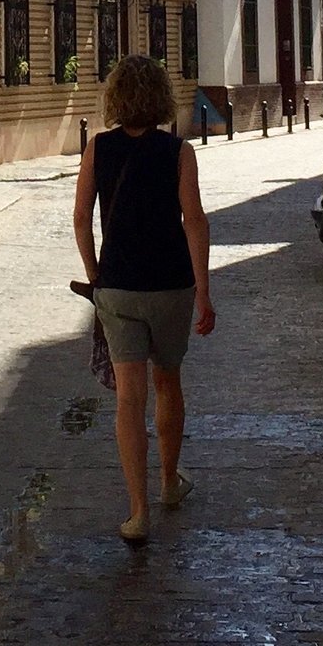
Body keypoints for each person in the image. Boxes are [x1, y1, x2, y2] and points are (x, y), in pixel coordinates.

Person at [74, 54, 214, 547]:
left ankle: (137, 513)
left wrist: (96, 277)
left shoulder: (98, 149)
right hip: (171, 285)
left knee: (129, 399)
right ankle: (169, 482)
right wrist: (204, 290)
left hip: (119, 287)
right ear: (160, 98)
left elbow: (79, 218)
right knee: (168, 382)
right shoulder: (180, 152)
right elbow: (194, 220)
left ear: (114, 99)